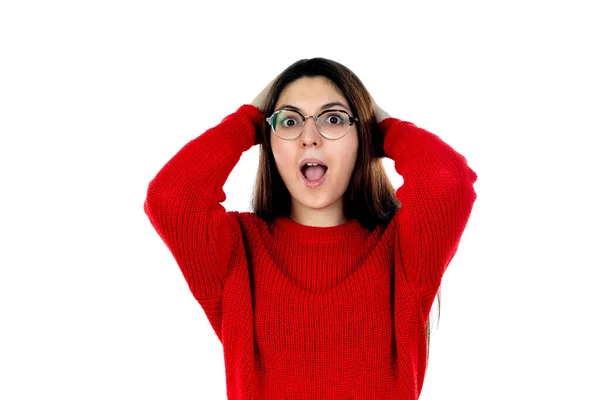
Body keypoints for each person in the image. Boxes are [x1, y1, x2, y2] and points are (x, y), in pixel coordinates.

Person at [143, 57, 478, 399]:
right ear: (268, 141)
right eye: (290, 121)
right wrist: (247, 120)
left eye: (332, 119)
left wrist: (385, 127)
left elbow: (447, 180)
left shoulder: (402, 251)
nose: (310, 138)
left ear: (363, 137)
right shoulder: (238, 252)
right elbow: (172, 197)